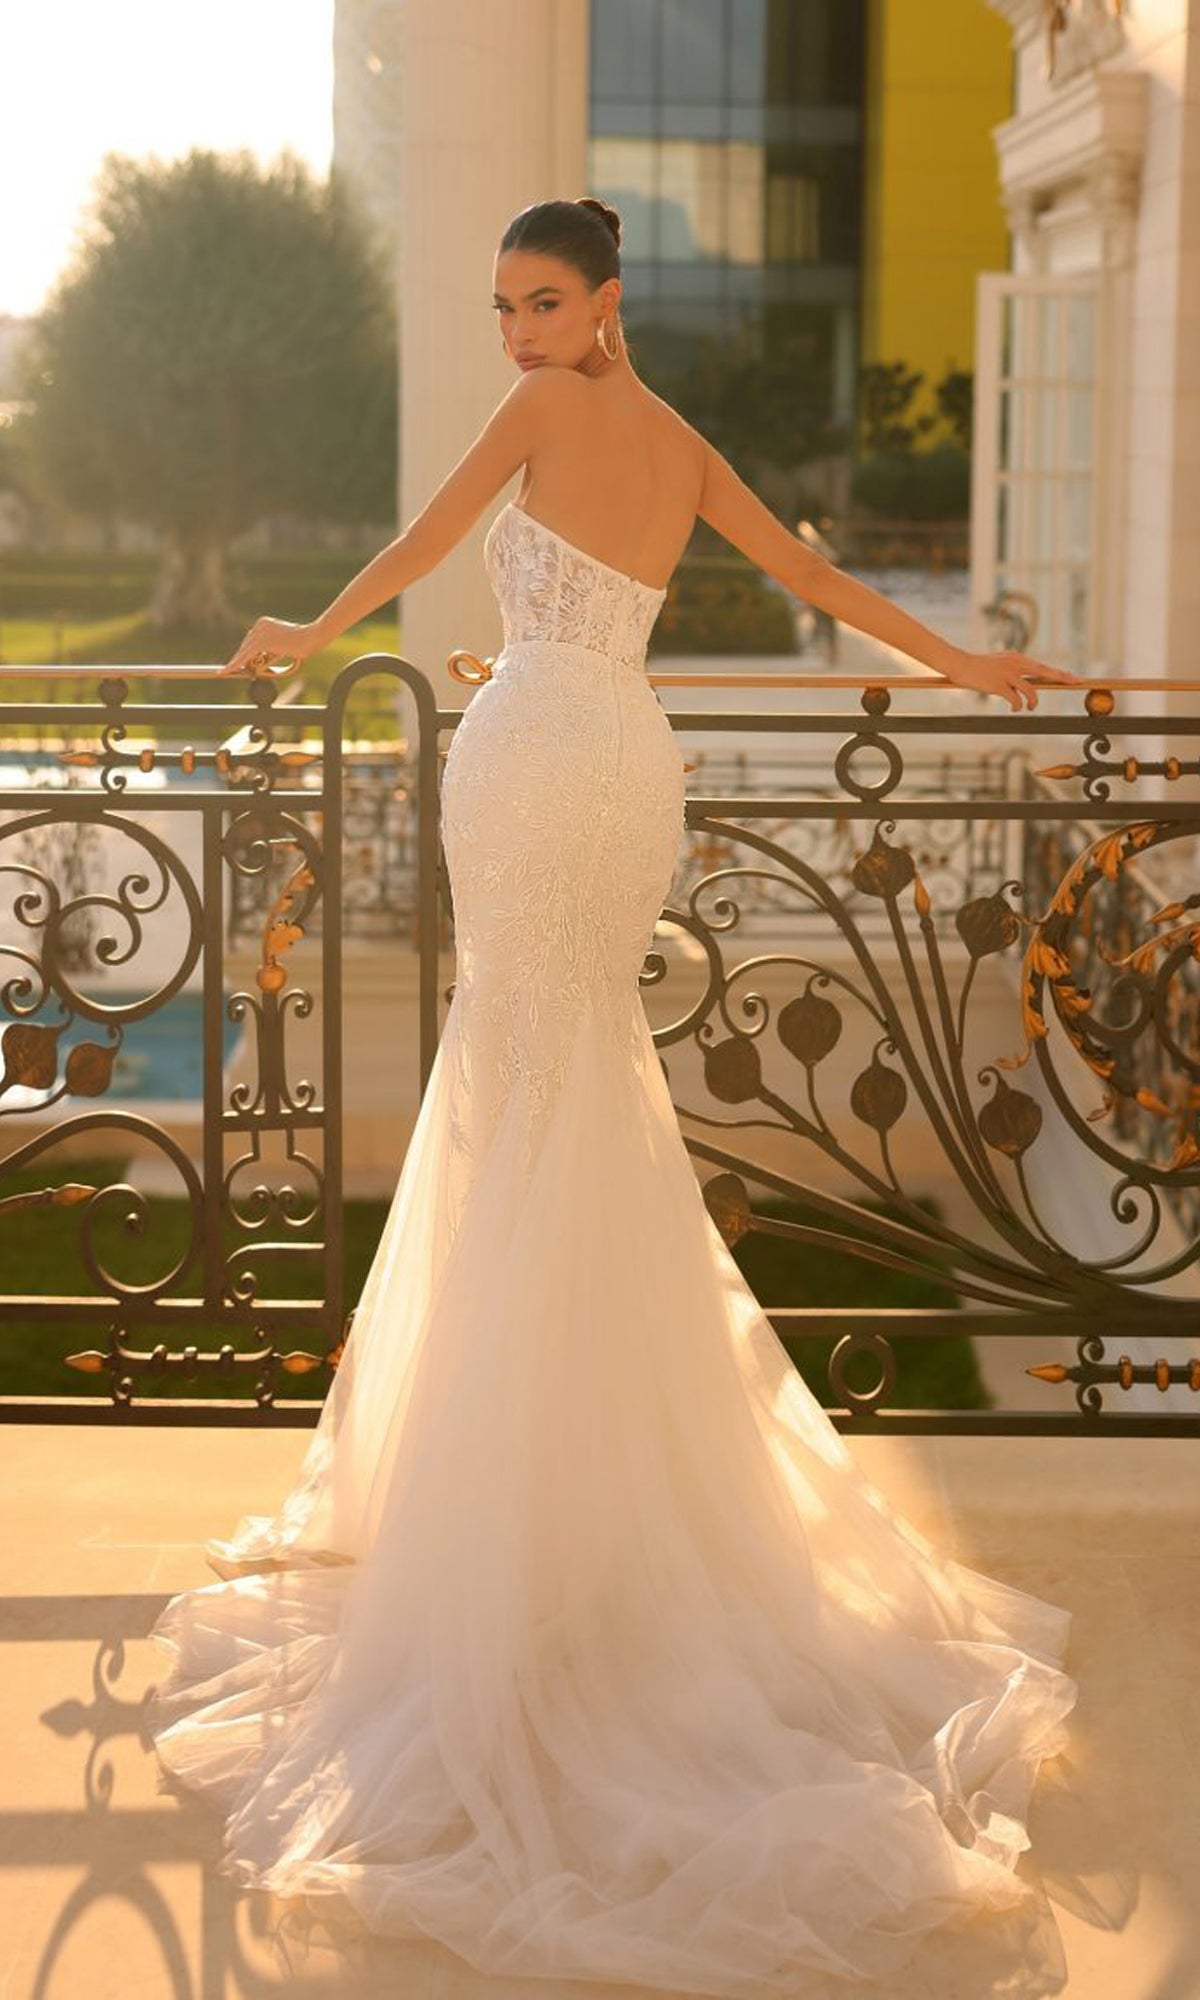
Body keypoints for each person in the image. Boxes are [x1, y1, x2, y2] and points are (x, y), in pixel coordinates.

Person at [148, 197, 1082, 1997]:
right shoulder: (669, 436)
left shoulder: (542, 415)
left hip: (527, 770)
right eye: (502, 305)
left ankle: (512, 1522)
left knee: (516, 1091)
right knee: (576, 1089)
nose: (515, 333)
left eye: (542, 303)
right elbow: (812, 586)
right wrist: (970, 665)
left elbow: (430, 542)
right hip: (617, 756)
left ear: (604, 303)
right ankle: (594, 1505)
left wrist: (312, 627)